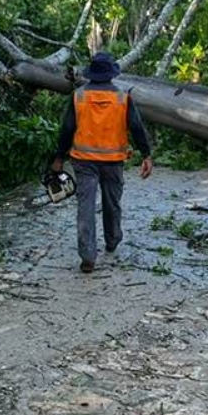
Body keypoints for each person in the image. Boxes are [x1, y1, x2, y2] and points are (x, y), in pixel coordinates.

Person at [52, 52, 153, 273]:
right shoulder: (122, 98)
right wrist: (146, 155)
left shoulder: (78, 96)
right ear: (111, 75)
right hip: (113, 161)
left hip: (83, 161)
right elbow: (137, 128)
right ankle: (113, 239)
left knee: (85, 207)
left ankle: (88, 256)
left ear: (91, 73)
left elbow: (67, 129)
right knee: (112, 203)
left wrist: (58, 158)